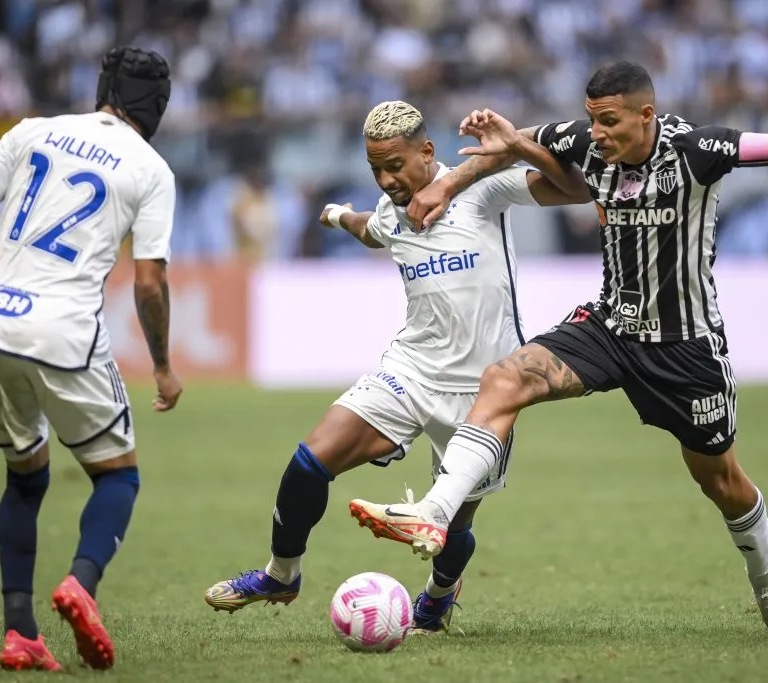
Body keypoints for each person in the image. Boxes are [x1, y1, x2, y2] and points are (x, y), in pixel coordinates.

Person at [349, 61, 768, 635]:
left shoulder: (700, 150)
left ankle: (765, 567)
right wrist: (451, 180)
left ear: (646, 115)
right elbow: (515, 144)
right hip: (610, 326)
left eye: (607, 123)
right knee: (505, 378)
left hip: (685, 348)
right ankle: (434, 513)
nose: (595, 135)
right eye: (591, 121)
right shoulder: (587, 140)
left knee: (718, 479)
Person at [203, 100, 589, 632]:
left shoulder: (481, 189)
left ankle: (440, 592)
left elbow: (577, 189)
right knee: (311, 460)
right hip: (409, 370)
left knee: (451, 528)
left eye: (394, 165)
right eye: (375, 169)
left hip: (485, 393)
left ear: (427, 152)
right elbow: (370, 227)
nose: (386, 179)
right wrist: (338, 216)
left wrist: (518, 146)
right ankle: (281, 573)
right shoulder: (391, 210)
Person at [0, 46, 182, 671]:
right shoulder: (151, 168)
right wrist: (161, 364)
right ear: (155, 106)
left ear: (103, 87)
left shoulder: (33, 131)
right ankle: (81, 582)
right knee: (119, 474)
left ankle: (19, 631)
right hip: (64, 329)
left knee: (25, 477)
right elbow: (150, 283)